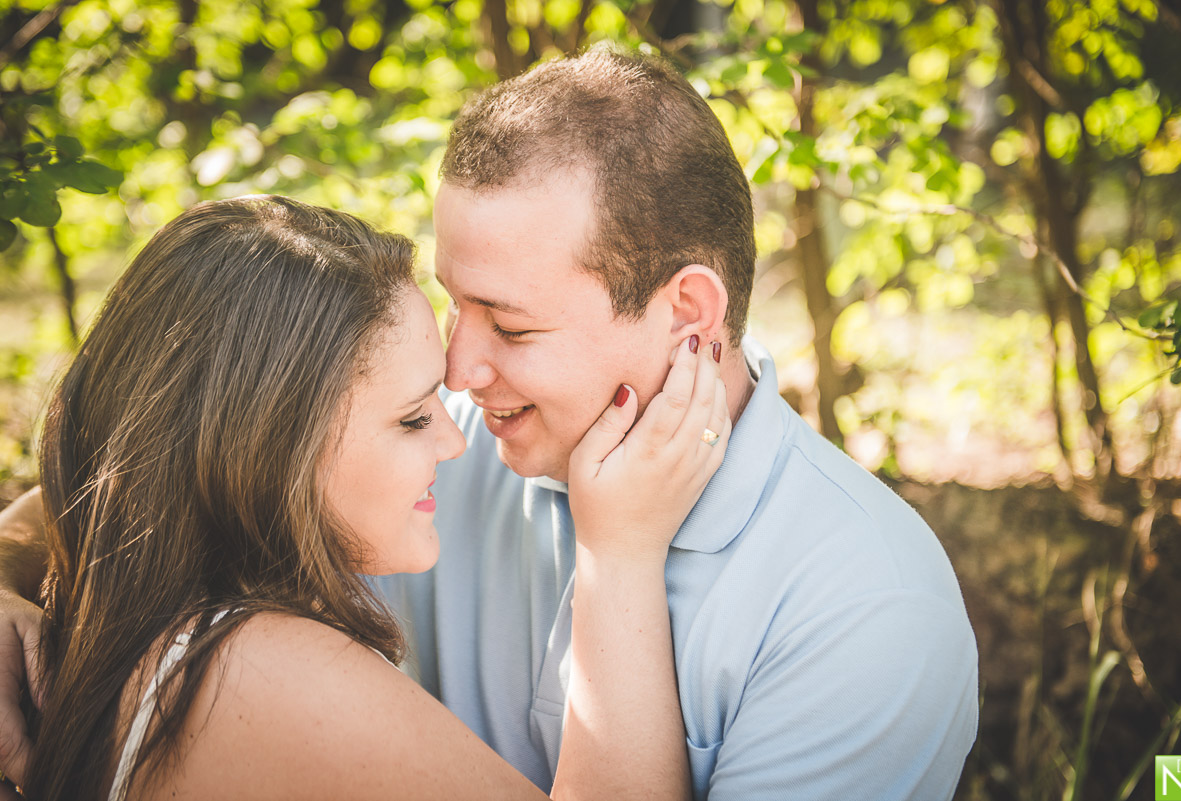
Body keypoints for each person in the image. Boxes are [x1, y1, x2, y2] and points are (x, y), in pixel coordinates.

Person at [0, 47, 979, 800]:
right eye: (454, 303)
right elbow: (140, 485)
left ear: (689, 315)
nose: (461, 374)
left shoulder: (865, 610)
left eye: (511, 324)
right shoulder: (397, 445)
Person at [0, 194, 729, 800]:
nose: (454, 440)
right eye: (413, 417)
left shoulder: (162, 619)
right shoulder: (257, 669)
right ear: (266, 450)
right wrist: (622, 551)